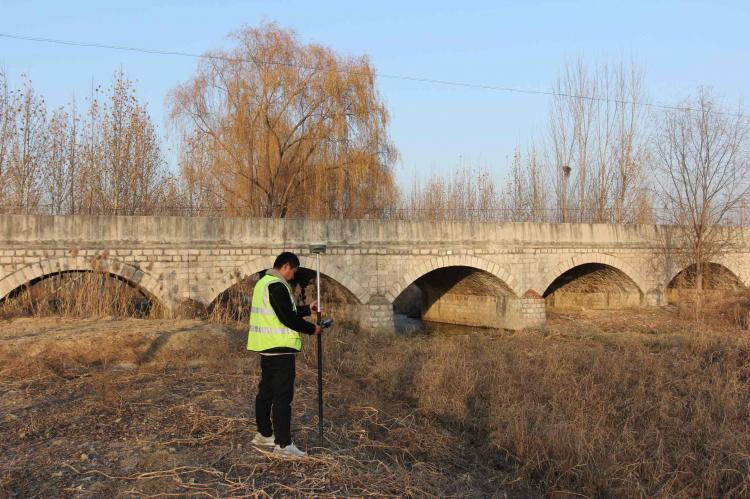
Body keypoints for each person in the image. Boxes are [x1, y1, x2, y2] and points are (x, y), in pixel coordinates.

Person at [247, 251, 321, 457]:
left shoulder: (263, 284)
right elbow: (287, 318)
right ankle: (283, 445)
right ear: (287, 266)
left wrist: (308, 309)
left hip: (267, 348)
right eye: (294, 271)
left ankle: (263, 434)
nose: (293, 276)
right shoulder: (277, 285)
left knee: (266, 393)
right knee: (282, 397)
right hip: (280, 350)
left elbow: (283, 310)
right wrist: (311, 329)